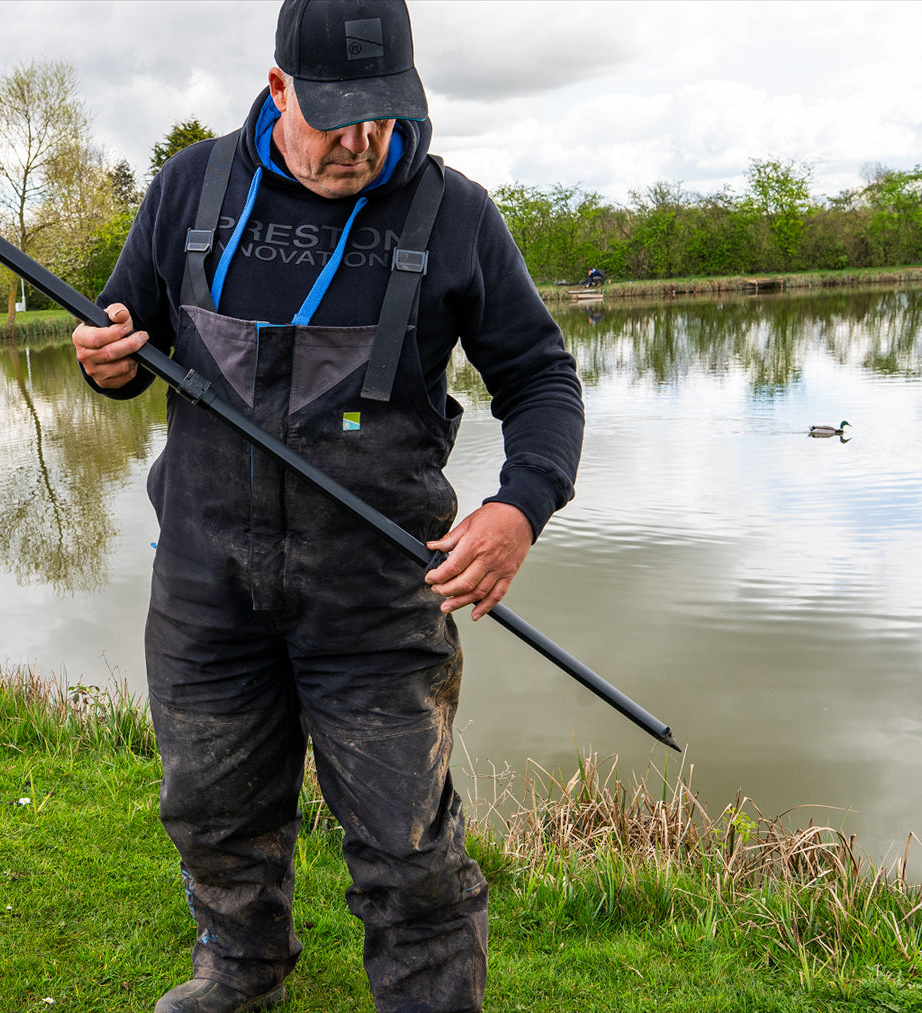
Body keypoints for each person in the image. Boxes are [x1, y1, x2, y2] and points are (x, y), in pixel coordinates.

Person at [70, 2, 584, 1010]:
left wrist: (519, 507)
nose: (362, 140)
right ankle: (240, 967)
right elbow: (125, 341)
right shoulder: (188, 189)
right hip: (206, 583)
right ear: (278, 88)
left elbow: (541, 380)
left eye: (384, 113)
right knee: (213, 811)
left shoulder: (457, 215)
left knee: (407, 848)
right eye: (338, 115)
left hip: (376, 595)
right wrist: (106, 363)